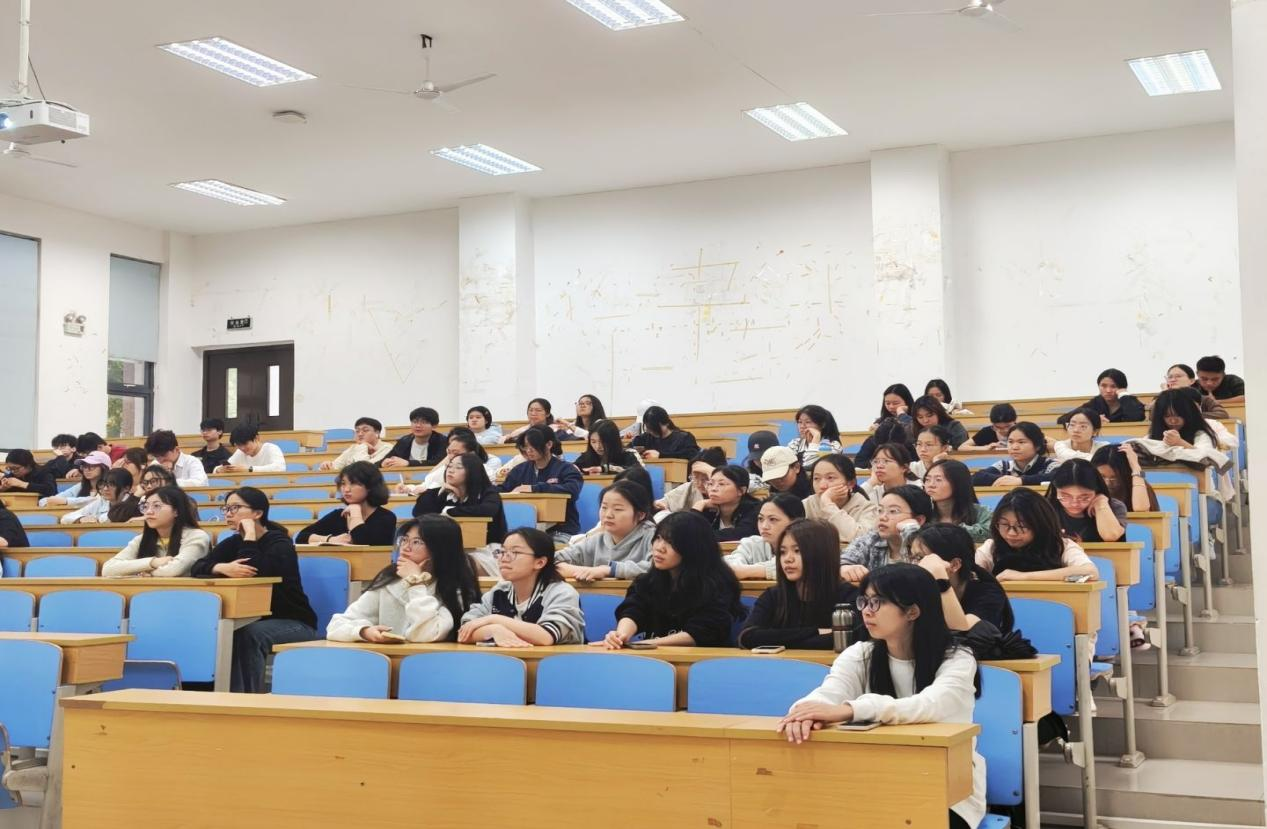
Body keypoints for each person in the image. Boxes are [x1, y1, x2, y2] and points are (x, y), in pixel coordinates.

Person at [777, 563, 985, 829]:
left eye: (878, 602)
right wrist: (806, 713)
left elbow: (928, 706)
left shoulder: (958, 658)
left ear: (912, 611)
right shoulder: (859, 654)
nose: (866, 610)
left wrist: (853, 709)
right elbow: (828, 693)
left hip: (949, 785)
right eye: (864, 601)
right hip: (874, 777)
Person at [190, 487, 318, 692]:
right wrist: (220, 567)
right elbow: (197, 567)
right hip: (249, 619)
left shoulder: (280, 542)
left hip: (294, 622)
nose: (228, 514)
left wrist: (249, 535)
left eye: (235, 508)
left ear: (257, 513)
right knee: (214, 630)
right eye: (226, 508)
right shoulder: (232, 542)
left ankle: (246, 698)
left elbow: (255, 572)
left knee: (248, 635)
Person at [601, 511, 745, 648]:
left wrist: (646, 644)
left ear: (693, 548)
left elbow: (702, 632)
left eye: (670, 542)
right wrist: (621, 636)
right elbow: (633, 610)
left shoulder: (717, 586)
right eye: (658, 538)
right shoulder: (647, 581)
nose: (659, 548)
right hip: (653, 658)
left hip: (702, 660)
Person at [326, 515, 480, 643]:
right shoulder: (389, 580)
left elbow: (424, 635)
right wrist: (364, 631)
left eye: (417, 542)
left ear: (440, 548)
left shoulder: (457, 589)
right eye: (404, 540)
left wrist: (415, 583)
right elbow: (335, 626)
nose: (405, 548)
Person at [738, 519, 859, 650]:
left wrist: (779, 639)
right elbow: (747, 637)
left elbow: (850, 640)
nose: (788, 559)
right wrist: (815, 632)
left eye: (797, 551)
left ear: (821, 553)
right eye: (783, 552)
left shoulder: (849, 596)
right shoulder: (773, 595)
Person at [458, 527, 585, 646]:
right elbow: (465, 631)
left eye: (515, 552)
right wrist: (493, 630)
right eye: (502, 551)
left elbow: (546, 637)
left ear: (540, 562)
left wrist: (494, 619)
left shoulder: (562, 593)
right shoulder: (500, 591)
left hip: (554, 661)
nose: (504, 558)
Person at [975, 488, 1097, 581]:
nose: (1011, 533)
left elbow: (1091, 572)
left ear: (1040, 524)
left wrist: (1023, 576)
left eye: (1021, 526)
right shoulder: (991, 547)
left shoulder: (1061, 545)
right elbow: (971, 574)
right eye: (1004, 524)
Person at [912, 524, 1014, 632]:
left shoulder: (989, 593)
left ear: (954, 565)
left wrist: (941, 581)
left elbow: (961, 632)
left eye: (920, 558)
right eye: (912, 558)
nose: (914, 565)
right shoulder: (918, 589)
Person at [555, 481, 656, 580]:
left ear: (640, 515)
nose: (608, 515)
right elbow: (553, 560)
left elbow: (657, 567)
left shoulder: (654, 537)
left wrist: (609, 570)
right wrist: (589, 571)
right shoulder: (597, 540)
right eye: (604, 507)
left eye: (618, 509)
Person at [102, 486, 211, 577]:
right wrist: (152, 562)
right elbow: (108, 569)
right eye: (146, 506)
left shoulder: (196, 536)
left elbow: (173, 570)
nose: (149, 512)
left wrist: (148, 573)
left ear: (176, 511)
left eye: (156, 506)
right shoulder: (141, 539)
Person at [499, 425, 584, 541]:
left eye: (533, 445)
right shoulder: (520, 470)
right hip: (525, 532)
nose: (528, 450)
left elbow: (572, 490)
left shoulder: (566, 469)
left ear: (549, 444)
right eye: (526, 446)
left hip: (559, 531)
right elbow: (503, 489)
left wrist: (535, 488)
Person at [840, 485, 933, 580]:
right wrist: (845, 567)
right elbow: (843, 560)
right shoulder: (873, 538)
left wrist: (910, 531)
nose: (882, 517)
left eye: (893, 511)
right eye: (880, 510)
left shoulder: (931, 543)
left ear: (919, 520)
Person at [412, 453, 508, 544]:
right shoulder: (439, 492)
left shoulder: (489, 493)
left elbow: (487, 510)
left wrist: (449, 510)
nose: (451, 470)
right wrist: (440, 494)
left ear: (472, 472)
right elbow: (418, 513)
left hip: (486, 546)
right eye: (449, 466)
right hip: (445, 545)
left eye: (458, 467)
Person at [295, 461, 397, 546]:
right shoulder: (338, 515)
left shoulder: (386, 517)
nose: (346, 489)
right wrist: (330, 539)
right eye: (343, 484)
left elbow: (363, 542)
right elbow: (301, 537)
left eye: (354, 483)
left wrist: (355, 513)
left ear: (370, 486)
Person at [725, 493, 806, 580]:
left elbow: (801, 566)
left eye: (773, 519)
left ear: (794, 522)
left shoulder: (807, 544)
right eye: (760, 519)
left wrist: (747, 571)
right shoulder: (753, 543)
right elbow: (728, 565)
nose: (764, 526)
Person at [802, 455, 877, 545]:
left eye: (830, 478)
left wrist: (828, 504)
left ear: (850, 483)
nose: (822, 486)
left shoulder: (867, 508)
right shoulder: (806, 505)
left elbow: (863, 539)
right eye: (816, 478)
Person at [1046, 459, 1127, 543]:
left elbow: (1111, 536)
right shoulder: (1046, 507)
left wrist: (1101, 505)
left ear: (1097, 491)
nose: (1074, 504)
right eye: (1065, 496)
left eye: (1084, 497)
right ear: (1055, 491)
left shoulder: (1114, 506)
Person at [406, 429, 502, 493]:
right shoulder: (446, 468)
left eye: (456, 453)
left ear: (471, 453)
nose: (451, 457)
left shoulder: (486, 471)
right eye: (449, 452)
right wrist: (409, 488)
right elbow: (426, 484)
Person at [971, 423, 1060, 487]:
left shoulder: (1050, 465)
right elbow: (976, 477)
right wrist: (1007, 479)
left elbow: (1059, 477)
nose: (1014, 447)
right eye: (1010, 442)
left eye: (1021, 442)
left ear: (1037, 446)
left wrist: (1021, 480)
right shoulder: (1004, 466)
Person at [923, 459, 992, 542]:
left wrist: (950, 531)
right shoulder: (921, 512)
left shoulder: (981, 512)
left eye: (938, 480)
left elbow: (989, 533)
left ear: (958, 483)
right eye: (927, 479)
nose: (930, 485)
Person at [696, 465, 761, 542]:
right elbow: (688, 532)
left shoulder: (755, 510)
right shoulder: (708, 509)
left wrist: (701, 536)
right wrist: (698, 506)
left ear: (741, 490)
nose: (713, 489)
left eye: (721, 484)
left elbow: (741, 534)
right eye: (711, 484)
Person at [656, 447, 726, 514]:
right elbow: (664, 502)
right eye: (695, 477)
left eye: (705, 479)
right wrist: (660, 504)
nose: (699, 483)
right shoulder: (691, 486)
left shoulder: (728, 490)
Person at [1092, 444, 1159, 512]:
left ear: (1126, 475)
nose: (1107, 483)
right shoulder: (1090, 487)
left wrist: (1136, 468)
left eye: (1114, 478)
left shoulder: (1139, 487)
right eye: (1102, 477)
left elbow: (1141, 509)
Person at [1147, 387, 1219, 450]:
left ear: (1188, 414)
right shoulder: (1156, 433)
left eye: (1178, 415)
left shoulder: (1201, 434)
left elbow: (1205, 456)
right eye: (1167, 416)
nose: (1173, 421)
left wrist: (1179, 442)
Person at [61, 468, 135, 524]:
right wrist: (81, 518)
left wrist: (97, 519)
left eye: (112, 485)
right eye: (104, 484)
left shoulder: (134, 504)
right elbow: (65, 518)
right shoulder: (101, 501)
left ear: (126, 488)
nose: (105, 489)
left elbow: (107, 519)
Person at [381, 407, 448, 468]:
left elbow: (438, 462)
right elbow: (384, 460)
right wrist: (383, 463)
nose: (418, 425)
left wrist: (408, 463)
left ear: (434, 426)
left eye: (423, 422)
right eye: (415, 422)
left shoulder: (442, 441)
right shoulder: (404, 441)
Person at [41, 450, 112, 507]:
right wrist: (48, 501)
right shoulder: (80, 486)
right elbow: (44, 501)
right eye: (84, 466)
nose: (87, 469)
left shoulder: (111, 487)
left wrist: (66, 501)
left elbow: (98, 500)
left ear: (104, 468)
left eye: (92, 466)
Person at [1155, 364, 1228, 418]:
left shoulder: (1204, 399)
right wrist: (1165, 394)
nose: (1173, 380)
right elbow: (1153, 415)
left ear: (1192, 381)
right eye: (1170, 377)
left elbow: (1222, 414)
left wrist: (1186, 415)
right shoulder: (1161, 398)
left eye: (1178, 376)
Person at [319, 417, 393, 470]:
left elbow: (364, 469)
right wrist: (327, 465)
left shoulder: (387, 448)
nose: (360, 434)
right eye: (357, 431)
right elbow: (336, 466)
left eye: (365, 430)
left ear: (377, 433)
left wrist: (363, 446)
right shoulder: (353, 448)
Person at [573, 419, 643, 474]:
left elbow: (638, 472)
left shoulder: (629, 454)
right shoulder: (587, 456)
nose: (597, 447)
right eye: (593, 442)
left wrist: (604, 469)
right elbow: (574, 467)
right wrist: (573, 468)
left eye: (602, 442)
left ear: (613, 440)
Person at [630, 406, 700, 461]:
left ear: (666, 423)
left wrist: (660, 456)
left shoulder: (684, 438)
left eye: (654, 428)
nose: (650, 431)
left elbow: (691, 455)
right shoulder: (645, 437)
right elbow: (629, 449)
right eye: (648, 428)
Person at [143, 429, 209, 488]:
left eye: (164, 455)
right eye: (156, 456)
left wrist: (168, 482)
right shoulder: (155, 464)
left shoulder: (192, 461)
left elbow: (200, 483)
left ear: (176, 449)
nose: (160, 460)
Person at [216, 423, 287, 473]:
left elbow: (280, 468)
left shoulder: (271, 448)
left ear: (256, 438)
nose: (242, 448)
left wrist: (249, 469)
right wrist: (219, 470)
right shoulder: (240, 452)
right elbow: (217, 469)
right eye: (239, 445)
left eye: (245, 444)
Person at [502, 398, 569, 444]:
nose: (533, 413)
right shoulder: (520, 431)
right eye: (530, 410)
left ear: (547, 414)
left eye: (538, 410)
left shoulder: (556, 430)